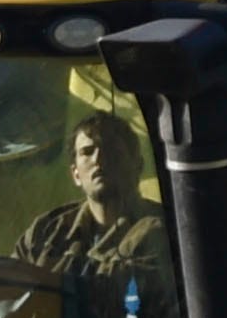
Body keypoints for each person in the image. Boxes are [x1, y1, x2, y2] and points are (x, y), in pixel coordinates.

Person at [18, 116, 161, 273]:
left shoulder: (162, 230)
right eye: (87, 152)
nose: (98, 159)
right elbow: (2, 283)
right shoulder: (46, 230)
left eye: (110, 149)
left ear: (138, 166)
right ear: (75, 174)